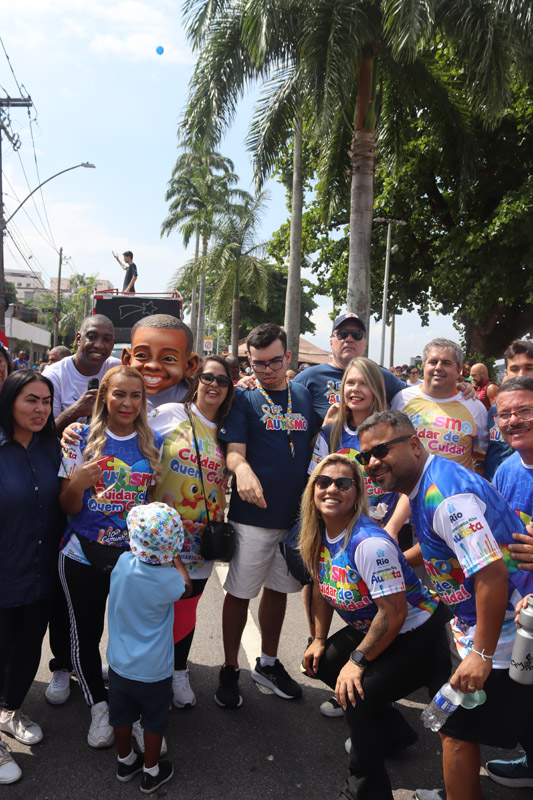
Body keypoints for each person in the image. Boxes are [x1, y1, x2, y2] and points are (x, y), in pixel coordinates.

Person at [358, 410, 533, 800]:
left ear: (415, 445)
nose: (371, 462)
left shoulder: (448, 498)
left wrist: (481, 655)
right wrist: (400, 561)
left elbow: (490, 574)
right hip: (485, 623)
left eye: (382, 450)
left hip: (504, 630)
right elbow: (444, 544)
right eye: (364, 455)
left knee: (455, 731)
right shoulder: (427, 485)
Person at [300, 453, 448, 800]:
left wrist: (356, 662)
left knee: (358, 695)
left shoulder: (370, 543)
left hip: (418, 631)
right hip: (377, 626)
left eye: (343, 483)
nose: (332, 489)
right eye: (323, 482)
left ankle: (365, 790)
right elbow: (322, 588)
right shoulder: (318, 533)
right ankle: (394, 735)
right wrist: (318, 638)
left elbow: (394, 613)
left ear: (357, 494)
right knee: (320, 663)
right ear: (312, 490)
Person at [58, 366, 163, 749]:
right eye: (119, 394)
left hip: (130, 562)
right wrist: (80, 484)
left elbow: (151, 506)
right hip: (81, 554)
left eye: (136, 396)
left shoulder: (153, 443)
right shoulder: (80, 439)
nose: (128, 403)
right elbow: (67, 504)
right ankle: (99, 707)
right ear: (104, 395)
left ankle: (130, 711)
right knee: (86, 633)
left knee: (130, 636)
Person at [215, 323, 317, 708]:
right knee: (239, 592)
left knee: (279, 592)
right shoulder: (243, 398)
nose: (268, 369)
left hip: (295, 519)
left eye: (275, 361)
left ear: (288, 357)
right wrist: (241, 470)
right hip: (252, 517)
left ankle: (268, 663)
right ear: (249, 362)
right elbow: (234, 450)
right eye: (259, 364)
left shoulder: (303, 396)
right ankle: (229, 669)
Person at [149, 355, 234, 708]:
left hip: (202, 536)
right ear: (196, 380)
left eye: (222, 380)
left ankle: (178, 670)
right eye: (207, 377)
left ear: (230, 389)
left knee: (187, 604)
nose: (213, 385)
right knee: (153, 604)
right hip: (160, 534)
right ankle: (149, 669)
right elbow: (133, 440)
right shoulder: (170, 414)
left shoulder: (231, 432)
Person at [0, 371, 61, 785]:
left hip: (41, 577)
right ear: (9, 402)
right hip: (3, 575)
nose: (40, 409)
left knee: (26, 654)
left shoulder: (52, 448)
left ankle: (9, 712)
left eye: (45, 401)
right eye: (30, 400)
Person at [107, 503, 189, 793]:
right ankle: (151, 771)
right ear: (171, 547)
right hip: (154, 671)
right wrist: (176, 560)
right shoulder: (169, 581)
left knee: (121, 716)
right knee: (154, 721)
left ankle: (125, 760)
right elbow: (186, 586)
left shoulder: (122, 565)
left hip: (119, 666)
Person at [483, 376, 533, 788]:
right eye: (504, 414)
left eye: (524, 411)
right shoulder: (506, 470)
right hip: (522, 613)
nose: (513, 420)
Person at [391, 338, 488, 471]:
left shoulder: (475, 407)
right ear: (424, 366)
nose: (438, 367)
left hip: (454, 491)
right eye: (433, 362)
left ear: (458, 369)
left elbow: (484, 452)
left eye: (446, 363)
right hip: (408, 490)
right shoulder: (401, 399)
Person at [293, 312, 405, 426]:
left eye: (357, 334)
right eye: (343, 334)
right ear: (331, 343)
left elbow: (416, 397)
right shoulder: (309, 377)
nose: (349, 339)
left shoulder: (381, 376)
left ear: (365, 344)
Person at [44, 314, 120, 435]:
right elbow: (45, 432)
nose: (99, 345)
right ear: (78, 339)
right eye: (92, 337)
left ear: (113, 344)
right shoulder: (53, 376)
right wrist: (75, 410)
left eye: (106, 339)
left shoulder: (118, 370)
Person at [122, 314, 199, 410]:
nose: (153, 366)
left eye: (169, 359)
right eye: (142, 355)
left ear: (190, 365)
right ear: (127, 359)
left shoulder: (199, 404)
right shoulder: (115, 401)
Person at [483, 338, 533, 482]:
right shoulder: (494, 409)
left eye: (529, 368)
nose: (521, 374)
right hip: (498, 485)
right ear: (506, 372)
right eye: (514, 369)